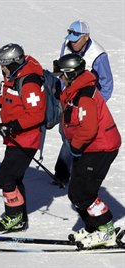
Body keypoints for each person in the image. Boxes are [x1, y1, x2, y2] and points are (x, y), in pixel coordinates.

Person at [54, 54, 121, 248]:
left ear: (71, 74)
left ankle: (106, 229)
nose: (61, 78)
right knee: (76, 191)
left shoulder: (84, 95)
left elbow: (89, 128)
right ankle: (94, 227)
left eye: (63, 75)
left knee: (84, 193)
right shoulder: (75, 91)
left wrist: (74, 147)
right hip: (90, 147)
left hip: (101, 147)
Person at [0, 43, 46, 234]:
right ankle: (20, 215)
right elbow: (12, 101)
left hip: (26, 139)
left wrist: (12, 126)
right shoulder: (16, 76)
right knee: (14, 177)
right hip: (16, 138)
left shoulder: (29, 82)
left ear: (14, 63)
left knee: (5, 178)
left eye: (4, 65)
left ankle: (14, 216)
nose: (2, 69)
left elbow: (36, 114)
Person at [55, 20, 114, 185]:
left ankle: (65, 174)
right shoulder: (67, 45)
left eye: (76, 39)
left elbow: (107, 83)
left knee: (78, 139)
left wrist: (94, 104)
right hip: (67, 99)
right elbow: (62, 70)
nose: (72, 42)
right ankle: (65, 173)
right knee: (66, 135)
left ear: (86, 37)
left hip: (85, 105)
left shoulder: (98, 55)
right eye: (71, 38)